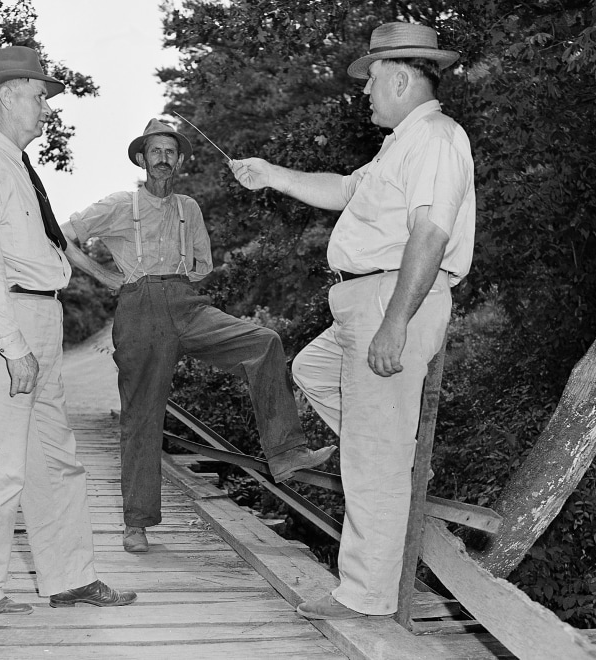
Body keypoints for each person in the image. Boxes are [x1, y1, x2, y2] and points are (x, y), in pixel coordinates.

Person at [229, 22, 475, 620]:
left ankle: (364, 595)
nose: (364, 93)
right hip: (363, 303)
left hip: (393, 299)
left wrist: (396, 321)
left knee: (371, 458)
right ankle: (400, 456)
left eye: (369, 82)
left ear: (397, 78)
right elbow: (343, 189)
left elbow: (431, 234)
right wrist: (271, 173)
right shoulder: (402, 144)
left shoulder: (438, 138)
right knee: (314, 372)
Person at [59, 119, 336, 553]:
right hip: (139, 305)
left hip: (187, 303)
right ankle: (137, 524)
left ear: (181, 161)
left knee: (264, 342)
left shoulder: (190, 208)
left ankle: (286, 453)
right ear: (141, 158)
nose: (163, 158)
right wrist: (108, 278)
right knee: (142, 417)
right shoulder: (118, 204)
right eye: (155, 151)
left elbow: (202, 264)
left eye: (171, 151)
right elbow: (64, 234)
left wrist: (180, 285)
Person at [0, 45, 137, 615]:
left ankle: (70, 578)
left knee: (53, 459)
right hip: (4, 325)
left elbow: (51, 244)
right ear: (4, 95)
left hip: (37, 316)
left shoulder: (15, 166)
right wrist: (14, 348)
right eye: (38, 95)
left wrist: (96, 276)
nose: (46, 108)